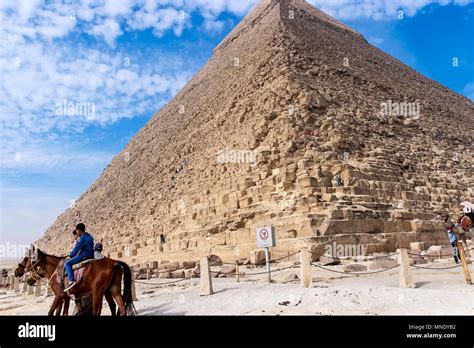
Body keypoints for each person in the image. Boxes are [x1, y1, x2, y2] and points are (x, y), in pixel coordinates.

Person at [64, 223, 94, 291]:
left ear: (78, 230)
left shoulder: (82, 238)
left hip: (84, 255)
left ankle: (71, 281)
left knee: (67, 264)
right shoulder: (89, 235)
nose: (77, 232)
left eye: (77, 231)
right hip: (91, 254)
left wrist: (70, 255)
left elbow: (76, 249)